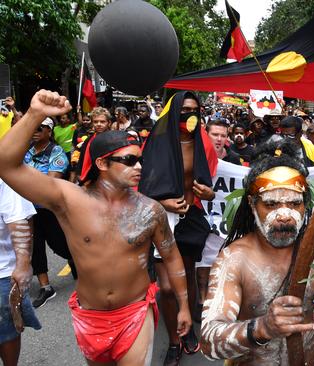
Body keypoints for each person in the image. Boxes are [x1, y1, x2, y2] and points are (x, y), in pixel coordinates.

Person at [0, 89, 192, 365]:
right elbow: (6, 165)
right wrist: (35, 114)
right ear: (102, 162)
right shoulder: (68, 199)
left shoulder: (150, 210)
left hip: (135, 313)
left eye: (140, 159)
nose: (138, 166)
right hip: (90, 318)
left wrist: (184, 306)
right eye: (128, 160)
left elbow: (172, 257)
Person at [200, 139, 314, 365]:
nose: (285, 215)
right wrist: (262, 328)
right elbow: (209, 343)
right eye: (271, 204)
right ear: (252, 204)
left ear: (305, 204)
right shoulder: (234, 260)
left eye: (295, 203)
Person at [138, 91, 217, 366]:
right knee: (168, 288)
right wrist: (163, 202)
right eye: (184, 110)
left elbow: (208, 185)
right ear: (173, 113)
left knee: (189, 277)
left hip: (191, 219)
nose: (189, 115)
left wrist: (207, 194)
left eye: (194, 110)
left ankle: (189, 329)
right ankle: (174, 341)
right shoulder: (156, 143)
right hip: (162, 221)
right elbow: (139, 187)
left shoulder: (202, 143)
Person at [23, 117, 74, 307]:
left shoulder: (57, 152)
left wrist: (23, 178)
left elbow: (50, 183)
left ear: (49, 131)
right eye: (33, 127)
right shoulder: (25, 150)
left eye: (40, 127)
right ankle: (46, 287)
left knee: (59, 244)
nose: (35, 130)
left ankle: (76, 259)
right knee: (35, 247)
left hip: (49, 209)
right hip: (28, 209)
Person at [0, 178, 41, 366]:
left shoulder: (4, 179)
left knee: (6, 331)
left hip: (1, 273)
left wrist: (23, 264)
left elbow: (19, 218)